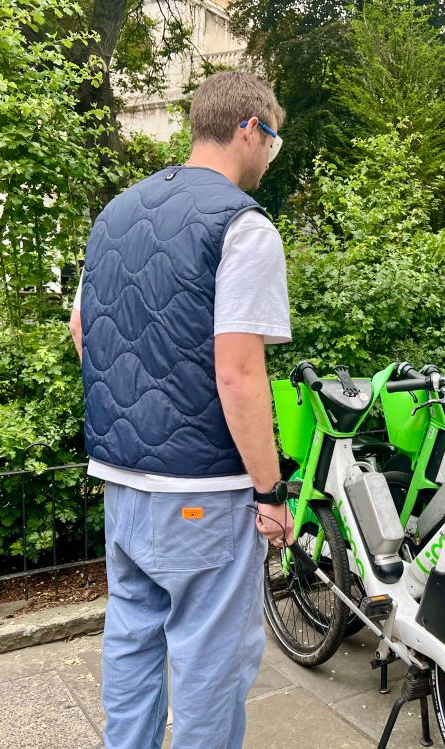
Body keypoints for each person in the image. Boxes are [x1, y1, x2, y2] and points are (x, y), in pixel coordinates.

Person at [69, 70, 294, 749]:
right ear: (251, 129)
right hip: (204, 489)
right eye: (273, 139)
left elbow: (84, 330)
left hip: (122, 477)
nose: (271, 153)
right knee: (210, 665)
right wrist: (270, 489)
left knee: (132, 643)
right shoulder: (241, 225)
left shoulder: (116, 214)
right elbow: (238, 372)